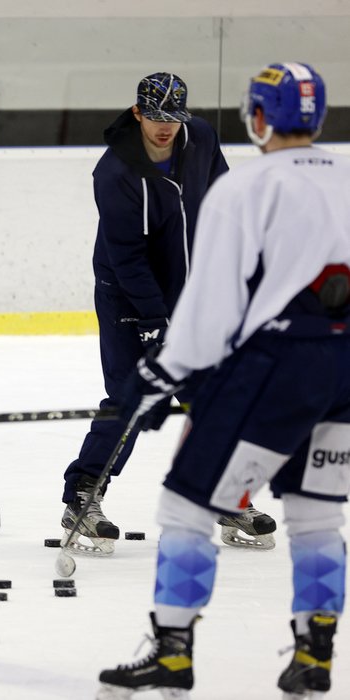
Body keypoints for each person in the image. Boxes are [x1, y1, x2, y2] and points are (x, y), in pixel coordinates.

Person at [98, 62, 347, 699]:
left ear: (257, 117)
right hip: (344, 373)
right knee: (317, 516)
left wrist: (155, 375)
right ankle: (314, 655)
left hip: (277, 366)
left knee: (185, 505)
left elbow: (208, 314)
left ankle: (173, 654)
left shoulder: (246, 187)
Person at [59, 72, 276, 556]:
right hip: (127, 300)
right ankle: (82, 497)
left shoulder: (199, 137)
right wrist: (156, 320)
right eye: (155, 117)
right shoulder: (115, 172)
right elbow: (127, 257)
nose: (165, 127)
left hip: (193, 292)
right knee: (133, 401)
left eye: (173, 118)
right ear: (137, 113)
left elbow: (224, 204)